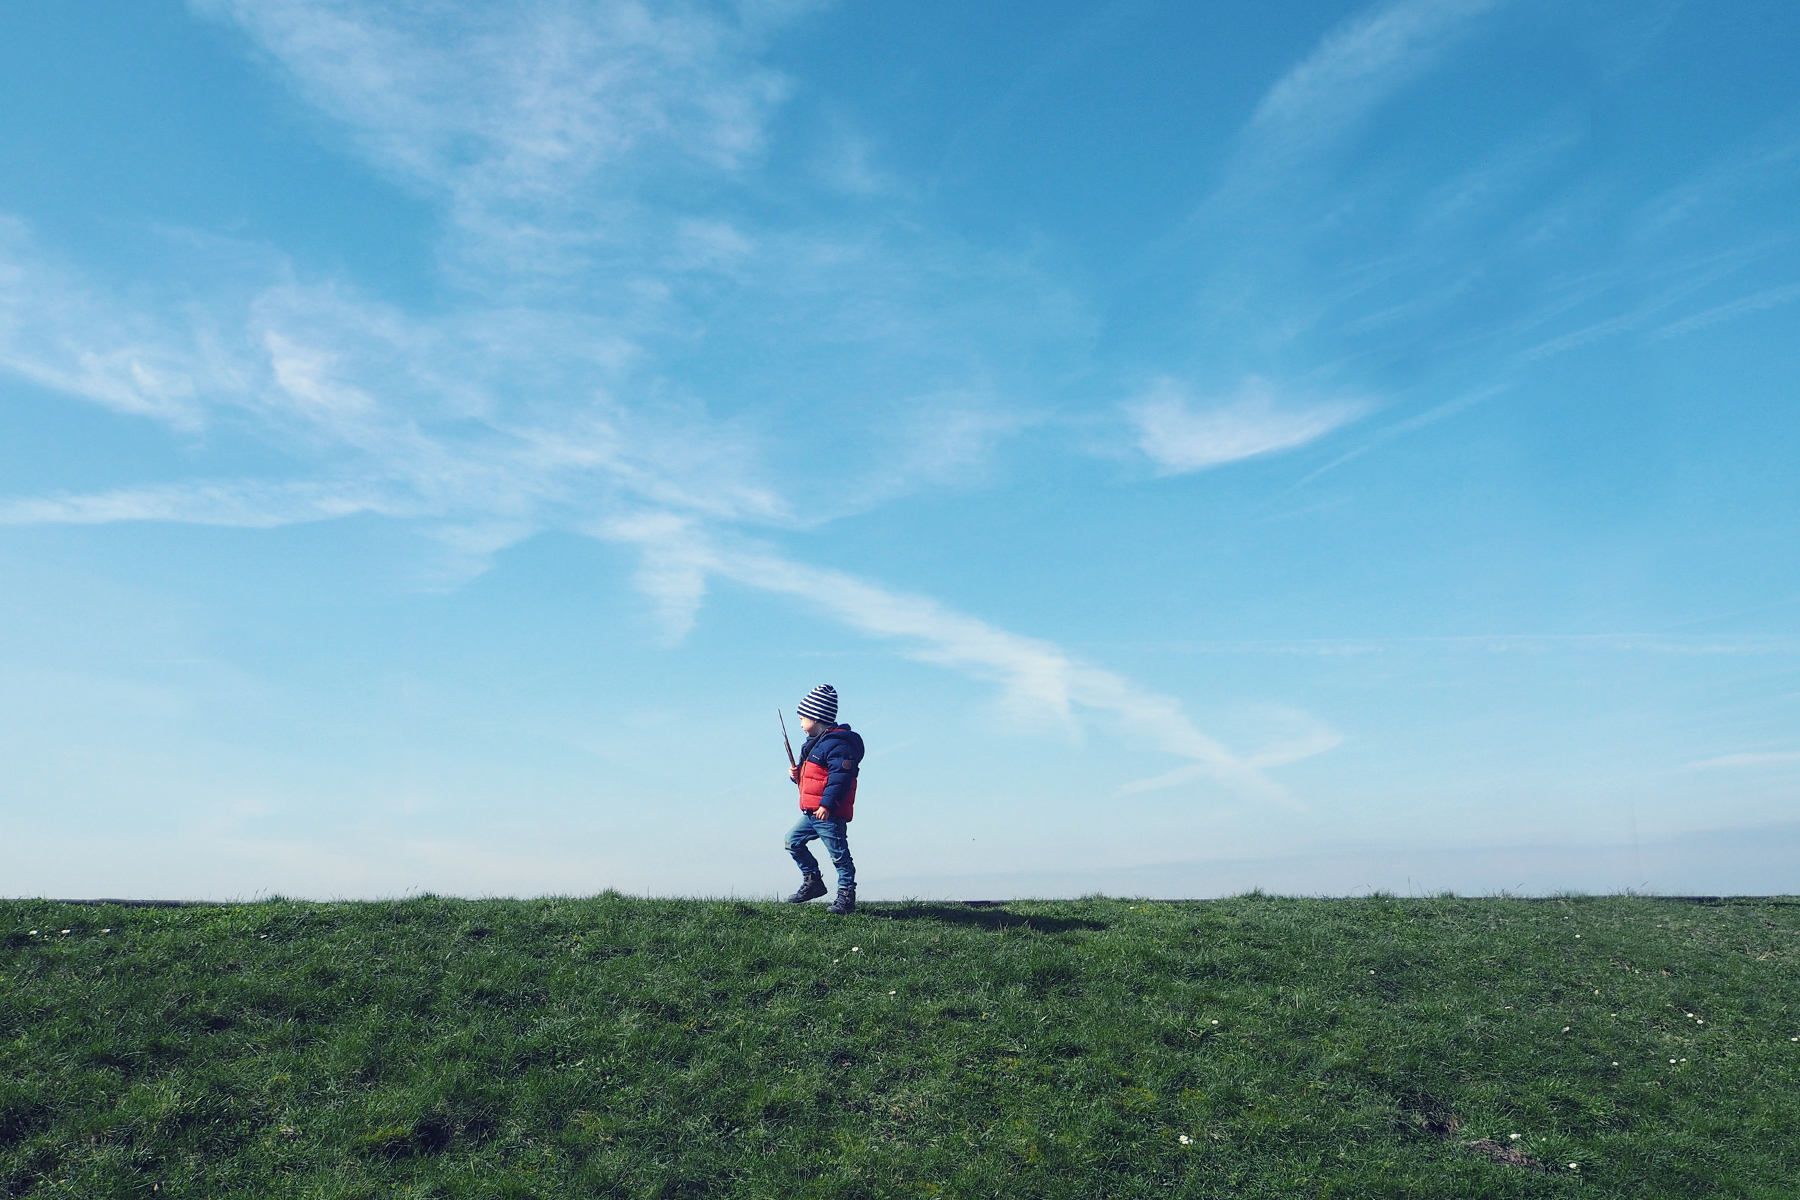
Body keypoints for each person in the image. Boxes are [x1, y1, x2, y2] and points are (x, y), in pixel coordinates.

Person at [783, 684, 864, 914]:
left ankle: (846, 896)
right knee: (792, 841)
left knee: (839, 855)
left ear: (816, 717)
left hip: (828, 812)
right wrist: (797, 776)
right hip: (811, 811)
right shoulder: (813, 745)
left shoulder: (839, 744)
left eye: (802, 718)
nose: (800, 724)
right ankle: (813, 882)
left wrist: (828, 804)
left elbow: (841, 778)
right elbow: (814, 779)